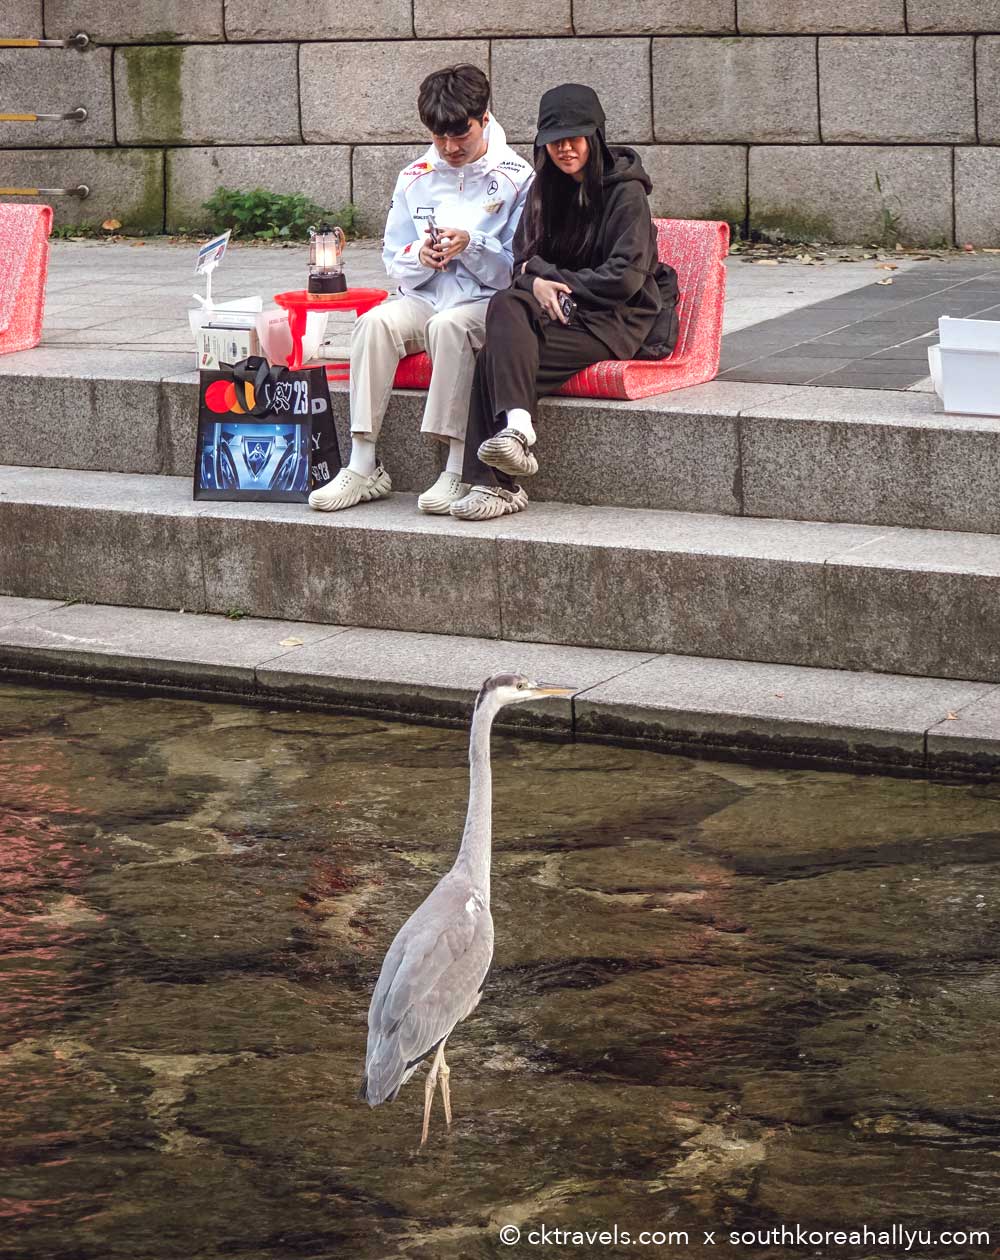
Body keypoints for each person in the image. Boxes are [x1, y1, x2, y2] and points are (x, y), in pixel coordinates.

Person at [308, 65, 533, 515]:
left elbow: (515, 268)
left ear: (484, 118)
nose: (449, 148)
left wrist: (471, 245)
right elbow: (395, 258)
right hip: (424, 297)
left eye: (460, 136)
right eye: (438, 137)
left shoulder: (517, 177)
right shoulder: (415, 175)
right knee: (374, 324)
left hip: (483, 303)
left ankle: (455, 468)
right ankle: (363, 464)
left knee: (451, 327)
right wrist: (420, 256)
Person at [450, 83, 679, 521]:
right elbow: (522, 260)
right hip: (559, 315)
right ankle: (516, 431)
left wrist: (550, 280)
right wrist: (537, 283)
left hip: (612, 321)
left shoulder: (625, 193)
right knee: (506, 310)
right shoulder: (544, 188)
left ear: (595, 136)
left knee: (497, 354)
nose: (565, 149)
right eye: (555, 141)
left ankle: (497, 483)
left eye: (574, 138)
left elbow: (626, 277)